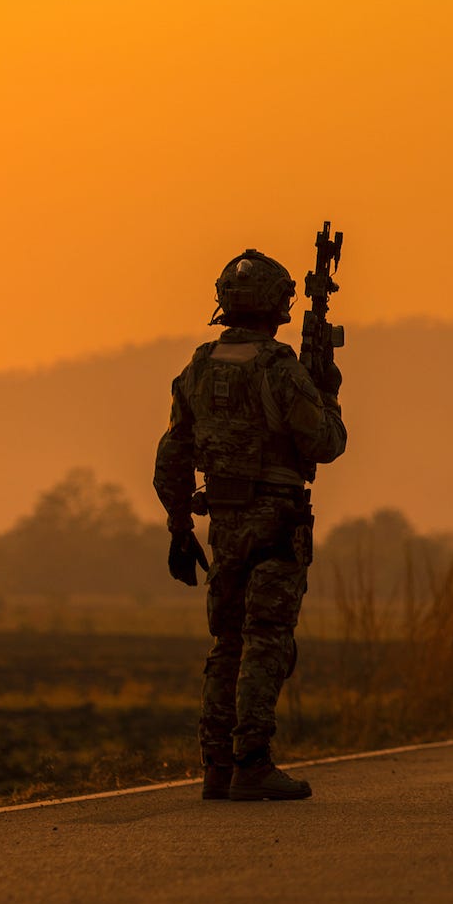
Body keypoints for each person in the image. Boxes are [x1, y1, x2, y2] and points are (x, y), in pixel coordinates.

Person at [154, 250, 347, 801]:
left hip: (224, 520)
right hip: (275, 520)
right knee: (266, 643)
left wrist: (177, 526)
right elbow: (326, 444)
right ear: (276, 306)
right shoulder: (279, 368)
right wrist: (328, 390)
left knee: (227, 642)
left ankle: (216, 765)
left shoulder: (198, 366)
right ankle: (253, 761)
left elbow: (172, 453)